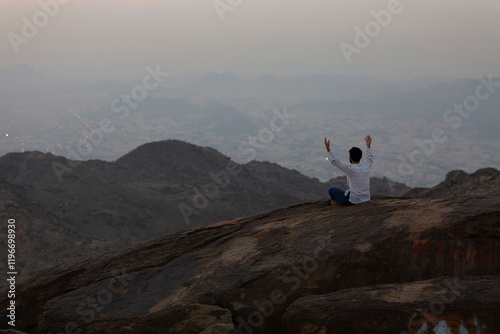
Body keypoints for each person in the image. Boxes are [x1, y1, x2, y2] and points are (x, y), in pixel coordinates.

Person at [324, 135, 373, 206]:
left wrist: (328, 149)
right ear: (361, 157)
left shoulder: (350, 168)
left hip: (354, 200)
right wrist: (368, 146)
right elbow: (369, 157)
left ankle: (336, 204)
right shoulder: (366, 166)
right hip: (366, 198)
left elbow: (335, 161)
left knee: (331, 190)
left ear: (350, 157)